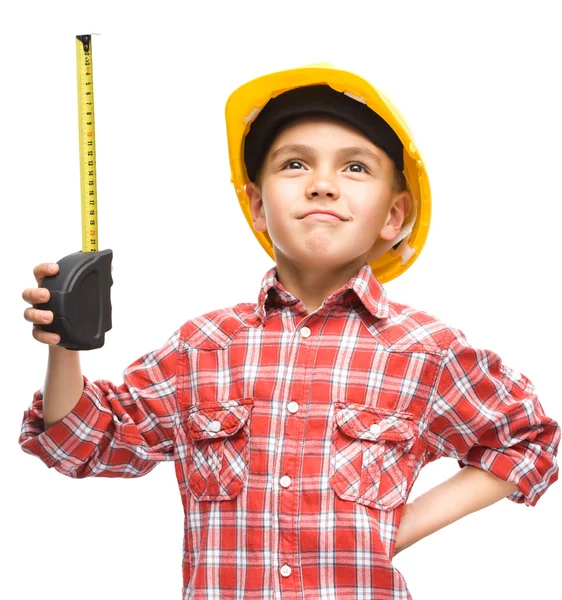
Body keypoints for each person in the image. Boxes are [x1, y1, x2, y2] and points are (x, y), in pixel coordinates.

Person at [19, 63, 560, 599]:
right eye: (295, 164)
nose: (322, 185)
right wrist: (66, 342)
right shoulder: (203, 349)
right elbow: (81, 443)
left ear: (394, 216)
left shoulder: (426, 353)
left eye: (355, 168)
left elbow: (528, 441)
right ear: (257, 203)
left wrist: (402, 527)